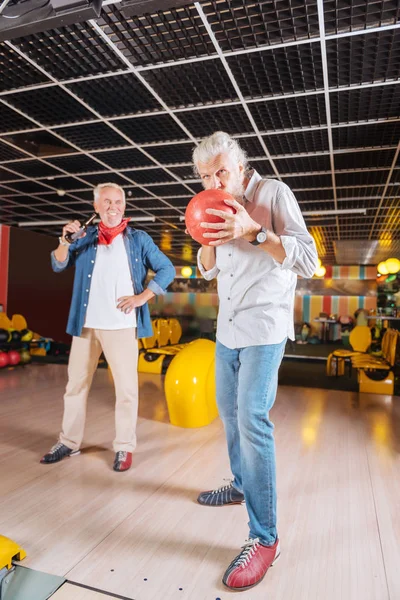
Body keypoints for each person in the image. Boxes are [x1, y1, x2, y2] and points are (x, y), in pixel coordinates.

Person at [190, 132, 318, 591]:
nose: (213, 181)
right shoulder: (211, 203)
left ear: (241, 165)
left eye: (221, 171)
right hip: (228, 327)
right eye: (205, 176)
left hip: (265, 327)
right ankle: (242, 485)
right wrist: (203, 238)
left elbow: (308, 258)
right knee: (228, 414)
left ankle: (265, 538)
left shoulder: (273, 194)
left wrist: (256, 232)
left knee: (252, 419)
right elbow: (207, 269)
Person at [40, 183, 175, 472]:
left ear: (124, 207)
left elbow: (167, 269)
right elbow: (58, 265)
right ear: (97, 207)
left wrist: (142, 297)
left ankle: (124, 447)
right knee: (75, 386)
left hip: (122, 326)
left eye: (118, 202)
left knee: (127, 390)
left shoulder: (138, 239)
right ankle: (69, 442)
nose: (113, 207)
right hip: (86, 325)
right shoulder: (84, 237)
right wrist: (64, 241)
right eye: (107, 202)